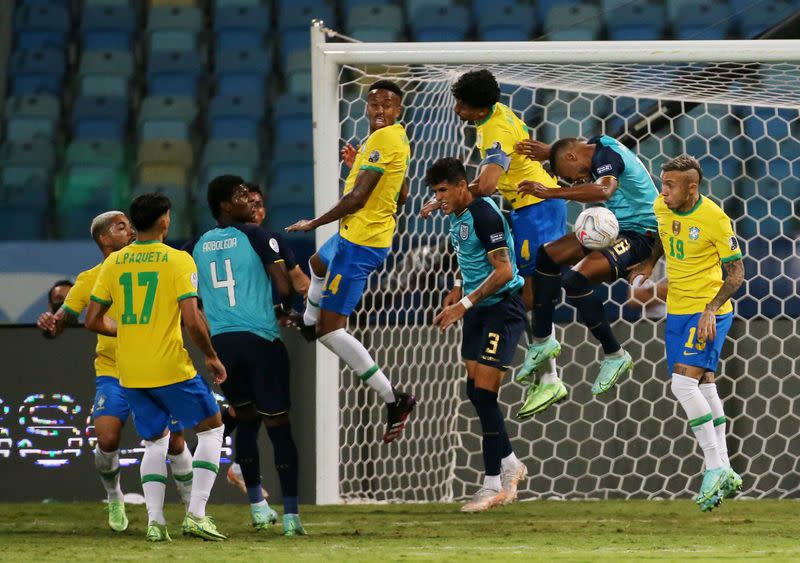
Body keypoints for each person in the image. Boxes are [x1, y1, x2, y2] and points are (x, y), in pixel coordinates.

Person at [36, 211, 193, 533]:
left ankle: (193, 508)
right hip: (114, 371)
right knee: (106, 438)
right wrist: (50, 326)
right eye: (121, 227)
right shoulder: (91, 278)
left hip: (157, 366)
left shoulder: (157, 263)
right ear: (104, 239)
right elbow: (61, 323)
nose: (131, 230)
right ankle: (115, 496)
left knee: (175, 441)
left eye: (130, 225)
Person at [85, 194, 228, 542]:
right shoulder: (178, 260)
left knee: (154, 442)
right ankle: (196, 514)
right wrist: (210, 354)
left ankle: (155, 521)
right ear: (165, 221)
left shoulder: (115, 263)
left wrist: (127, 331)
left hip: (130, 369)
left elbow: (92, 319)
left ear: (135, 224)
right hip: (169, 365)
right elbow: (192, 320)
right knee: (211, 429)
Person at [420, 68, 565, 399]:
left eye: (462, 104)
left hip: (537, 206)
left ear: (479, 109)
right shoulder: (495, 115)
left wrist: (446, 195)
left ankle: (549, 377)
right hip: (527, 205)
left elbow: (486, 185)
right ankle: (545, 372)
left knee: (529, 293)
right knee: (520, 286)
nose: (457, 109)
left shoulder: (495, 127)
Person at [286, 80, 416, 443]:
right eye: (373, 104)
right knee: (316, 263)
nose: (379, 110)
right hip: (354, 235)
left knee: (333, 330)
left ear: (399, 110)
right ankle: (308, 321)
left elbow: (358, 198)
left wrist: (313, 223)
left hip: (361, 244)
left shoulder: (383, 140)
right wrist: (356, 163)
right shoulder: (397, 139)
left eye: (387, 105)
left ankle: (394, 398)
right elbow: (402, 192)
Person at [188, 176, 306, 536]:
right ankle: (290, 515)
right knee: (279, 427)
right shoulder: (255, 235)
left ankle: (257, 506)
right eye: (241, 196)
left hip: (223, 344)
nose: (249, 202)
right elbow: (283, 281)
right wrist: (286, 308)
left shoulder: (198, 246)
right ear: (226, 205)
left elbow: (194, 303)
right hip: (261, 339)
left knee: (244, 417)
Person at [628, 155, 744, 512]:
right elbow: (663, 237)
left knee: (683, 385)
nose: (662, 191)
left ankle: (712, 467)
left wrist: (710, 309)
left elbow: (736, 273)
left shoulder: (714, 219)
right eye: (662, 183)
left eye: (670, 185)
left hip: (708, 311)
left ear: (692, 188)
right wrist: (648, 264)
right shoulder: (661, 207)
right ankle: (725, 467)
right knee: (705, 383)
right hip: (677, 309)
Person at [513, 135, 658, 418]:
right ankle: (542, 342)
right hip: (616, 228)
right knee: (548, 255)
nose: (577, 182)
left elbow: (603, 191)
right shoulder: (598, 145)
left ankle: (615, 354)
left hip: (642, 235)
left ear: (572, 157)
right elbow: (577, 154)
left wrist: (551, 191)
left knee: (575, 280)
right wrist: (550, 151)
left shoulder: (605, 158)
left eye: (574, 176)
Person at [428, 157, 528, 512]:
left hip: (501, 308)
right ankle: (511, 462)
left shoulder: (484, 216)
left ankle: (492, 485)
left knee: (484, 393)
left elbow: (503, 271)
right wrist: (457, 286)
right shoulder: (455, 215)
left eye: (443, 191)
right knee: (476, 390)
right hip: (474, 308)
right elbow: (466, 256)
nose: (438, 198)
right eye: (434, 192)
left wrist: (463, 305)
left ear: (461, 185)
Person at [246, 182, 310, 297]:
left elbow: (302, 284)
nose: (253, 211)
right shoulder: (223, 242)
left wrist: (314, 299)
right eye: (249, 205)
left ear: (264, 213)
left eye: (258, 205)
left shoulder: (275, 240)